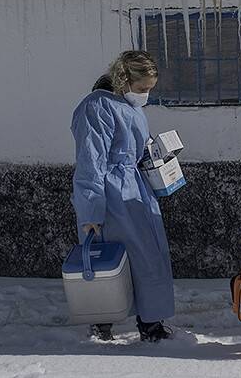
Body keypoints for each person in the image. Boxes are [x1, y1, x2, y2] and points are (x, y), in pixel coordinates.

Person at [71, 50, 174, 342]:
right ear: (124, 79)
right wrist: (90, 211)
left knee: (148, 257)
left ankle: (150, 321)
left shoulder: (130, 106)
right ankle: (102, 320)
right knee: (110, 259)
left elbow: (134, 146)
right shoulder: (96, 106)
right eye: (142, 88)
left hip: (135, 189)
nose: (145, 95)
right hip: (110, 193)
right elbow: (90, 161)